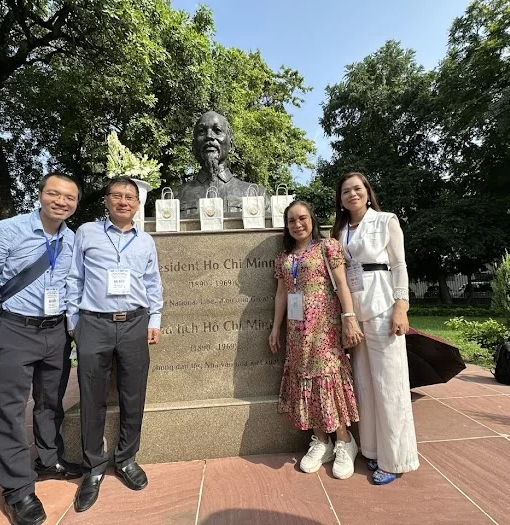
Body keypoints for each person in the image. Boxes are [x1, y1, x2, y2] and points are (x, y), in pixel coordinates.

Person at [0, 173, 82, 525]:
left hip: (55, 330)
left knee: (50, 402)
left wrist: (74, 326)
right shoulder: (7, 230)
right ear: (41, 194)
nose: (61, 202)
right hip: (14, 329)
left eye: (69, 198)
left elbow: (71, 285)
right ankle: (18, 489)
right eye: (54, 194)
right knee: (10, 410)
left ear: (75, 204)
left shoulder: (72, 239)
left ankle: (48, 461)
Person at [67, 176, 163, 513]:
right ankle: (93, 468)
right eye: (116, 196)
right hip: (94, 322)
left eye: (130, 197)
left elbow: (153, 281)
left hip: (135, 321)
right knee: (91, 394)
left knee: (133, 393)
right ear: (106, 200)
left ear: (139, 204)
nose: (123, 202)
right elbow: (74, 277)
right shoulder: (87, 233)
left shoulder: (146, 241)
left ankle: (126, 459)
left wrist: (155, 319)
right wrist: (73, 320)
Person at [332, 171, 419, 485]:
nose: (352, 194)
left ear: (367, 192)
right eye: (346, 191)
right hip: (354, 311)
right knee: (365, 383)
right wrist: (346, 315)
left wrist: (401, 306)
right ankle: (371, 448)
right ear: (340, 200)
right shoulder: (339, 231)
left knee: (390, 384)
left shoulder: (386, 221)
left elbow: (399, 265)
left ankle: (396, 458)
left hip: (383, 306)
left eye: (357, 189)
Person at [268, 201, 363, 479]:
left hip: (325, 328)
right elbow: (281, 295)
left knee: (327, 378)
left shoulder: (327, 247)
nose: (297, 225)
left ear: (312, 219)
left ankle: (344, 440)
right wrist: (276, 328)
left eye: (302, 219)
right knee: (305, 378)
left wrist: (349, 316)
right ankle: (321, 441)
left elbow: (342, 283)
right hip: (297, 333)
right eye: (291, 221)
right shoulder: (284, 257)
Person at [174, 111, 269, 216]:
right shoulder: (174, 198)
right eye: (202, 131)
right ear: (193, 146)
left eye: (217, 130)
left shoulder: (256, 195)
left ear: (231, 146)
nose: (209, 136)